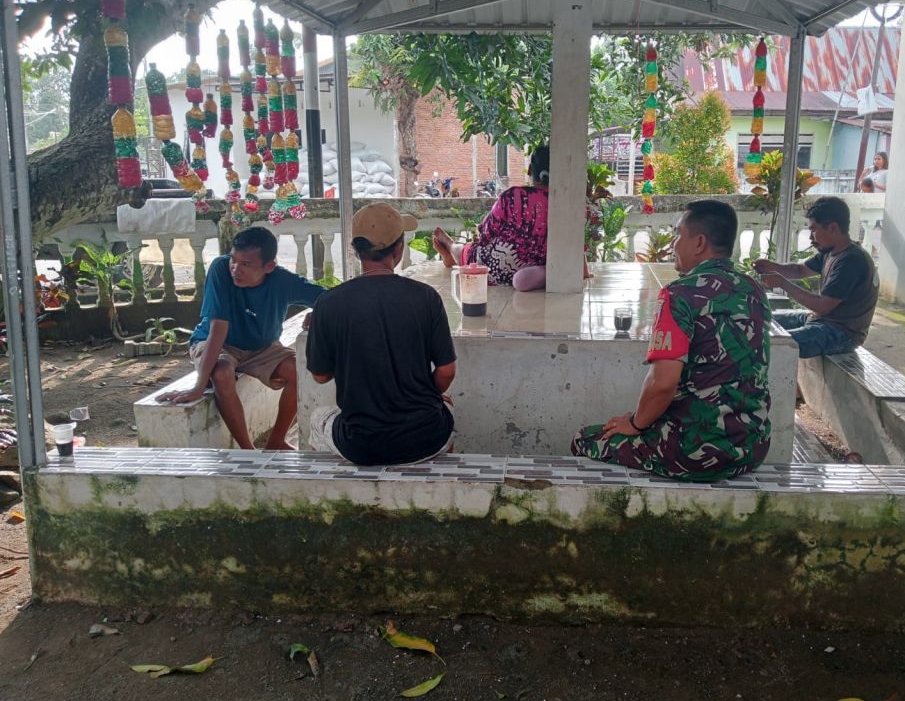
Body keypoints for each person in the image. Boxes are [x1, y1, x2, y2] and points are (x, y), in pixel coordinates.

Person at [570, 200, 772, 482]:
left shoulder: (680, 295)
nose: (673, 244)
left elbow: (663, 384)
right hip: (752, 447)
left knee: (585, 439)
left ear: (699, 243)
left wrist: (635, 424)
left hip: (693, 451)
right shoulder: (754, 290)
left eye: (678, 234)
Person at [306, 202, 457, 465]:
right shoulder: (426, 297)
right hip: (427, 438)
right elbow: (446, 371)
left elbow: (320, 375)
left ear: (355, 250)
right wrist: (423, 397)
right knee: (446, 408)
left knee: (317, 419)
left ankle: (337, 486)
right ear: (398, 249)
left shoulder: (328, 303)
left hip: (360, 445)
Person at [158, 226, 324, 449]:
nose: (236, 269)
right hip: (218, 343)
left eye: (246, 264)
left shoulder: (282, 280)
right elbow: (218, 328)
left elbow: (331, 297)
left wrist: (319, 312)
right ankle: (248, 450)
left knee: (300, 371)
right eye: (233, 260)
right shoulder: (220, 269)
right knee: (222, 373)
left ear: (269, 266)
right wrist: (199, 386)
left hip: (262, 347)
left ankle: (276, 441)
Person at [431, 145, 587, 292]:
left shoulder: (514, 196)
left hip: (495, 271)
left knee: (469, 252)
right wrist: (583, 270)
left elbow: (485, 234)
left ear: (530, 170)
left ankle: (450, 246)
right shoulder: (570, 204)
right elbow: (577, 243)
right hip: (540, 266)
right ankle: (452, 254)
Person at [753, 195, 879, 358]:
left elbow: (822, 306)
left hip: (842, 333)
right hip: (821, 320)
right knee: (760, 318)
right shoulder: (831, 252)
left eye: (813, 230)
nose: (811, 237)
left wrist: (782, 283)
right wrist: (772, 266)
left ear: (832, 227)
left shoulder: (852, 260)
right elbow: (800, 271)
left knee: (772, 344)